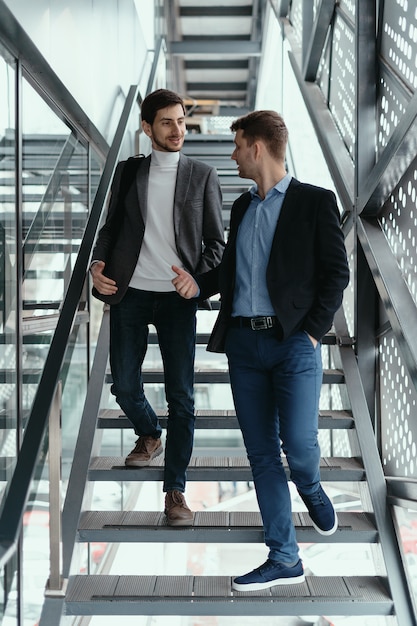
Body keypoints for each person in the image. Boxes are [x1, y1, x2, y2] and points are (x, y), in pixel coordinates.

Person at [172, 110, 349, 589]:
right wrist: (198, 284)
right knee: (264, 456)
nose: (231, 155)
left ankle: (310, 486)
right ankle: (285, 556)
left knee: (299, 445)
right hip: (244, 346)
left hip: (293, 343)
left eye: (236, 146)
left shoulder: (315, 202)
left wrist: (312, 333)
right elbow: (231, 271)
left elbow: (338, 274)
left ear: (257, 147)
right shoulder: (243, 207)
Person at [90, 89, 225, 526]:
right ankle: (149, 432)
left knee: (181, 396)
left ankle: (175, 490)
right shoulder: (130, 172)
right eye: (166, 122)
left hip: (176, 300)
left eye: (182, 121)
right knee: (125, 388)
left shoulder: (202, 175)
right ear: (147, 128)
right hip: (130, 291)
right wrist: (96, 263)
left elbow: (216, 246)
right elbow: (111, 228)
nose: (177, 130)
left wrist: (197, 280)